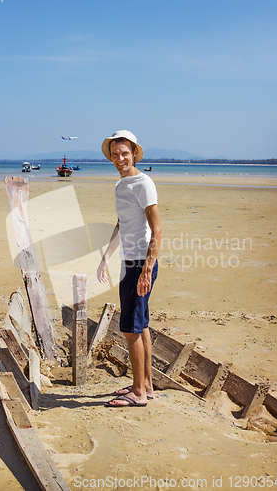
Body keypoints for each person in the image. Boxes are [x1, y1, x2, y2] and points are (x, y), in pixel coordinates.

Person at [97, 130, 162, 407]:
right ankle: (145, 385)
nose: (120, 158)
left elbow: (157, 230)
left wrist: (147, 270)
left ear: (134, 153)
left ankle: (137, 394)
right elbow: (122, 223)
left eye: (125, 153)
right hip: (130, 262)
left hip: (141, 264)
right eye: (115, 154)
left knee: (130, 329)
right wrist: (106, 257)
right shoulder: (120, 185)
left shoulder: (143, 183)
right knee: (141, 324)